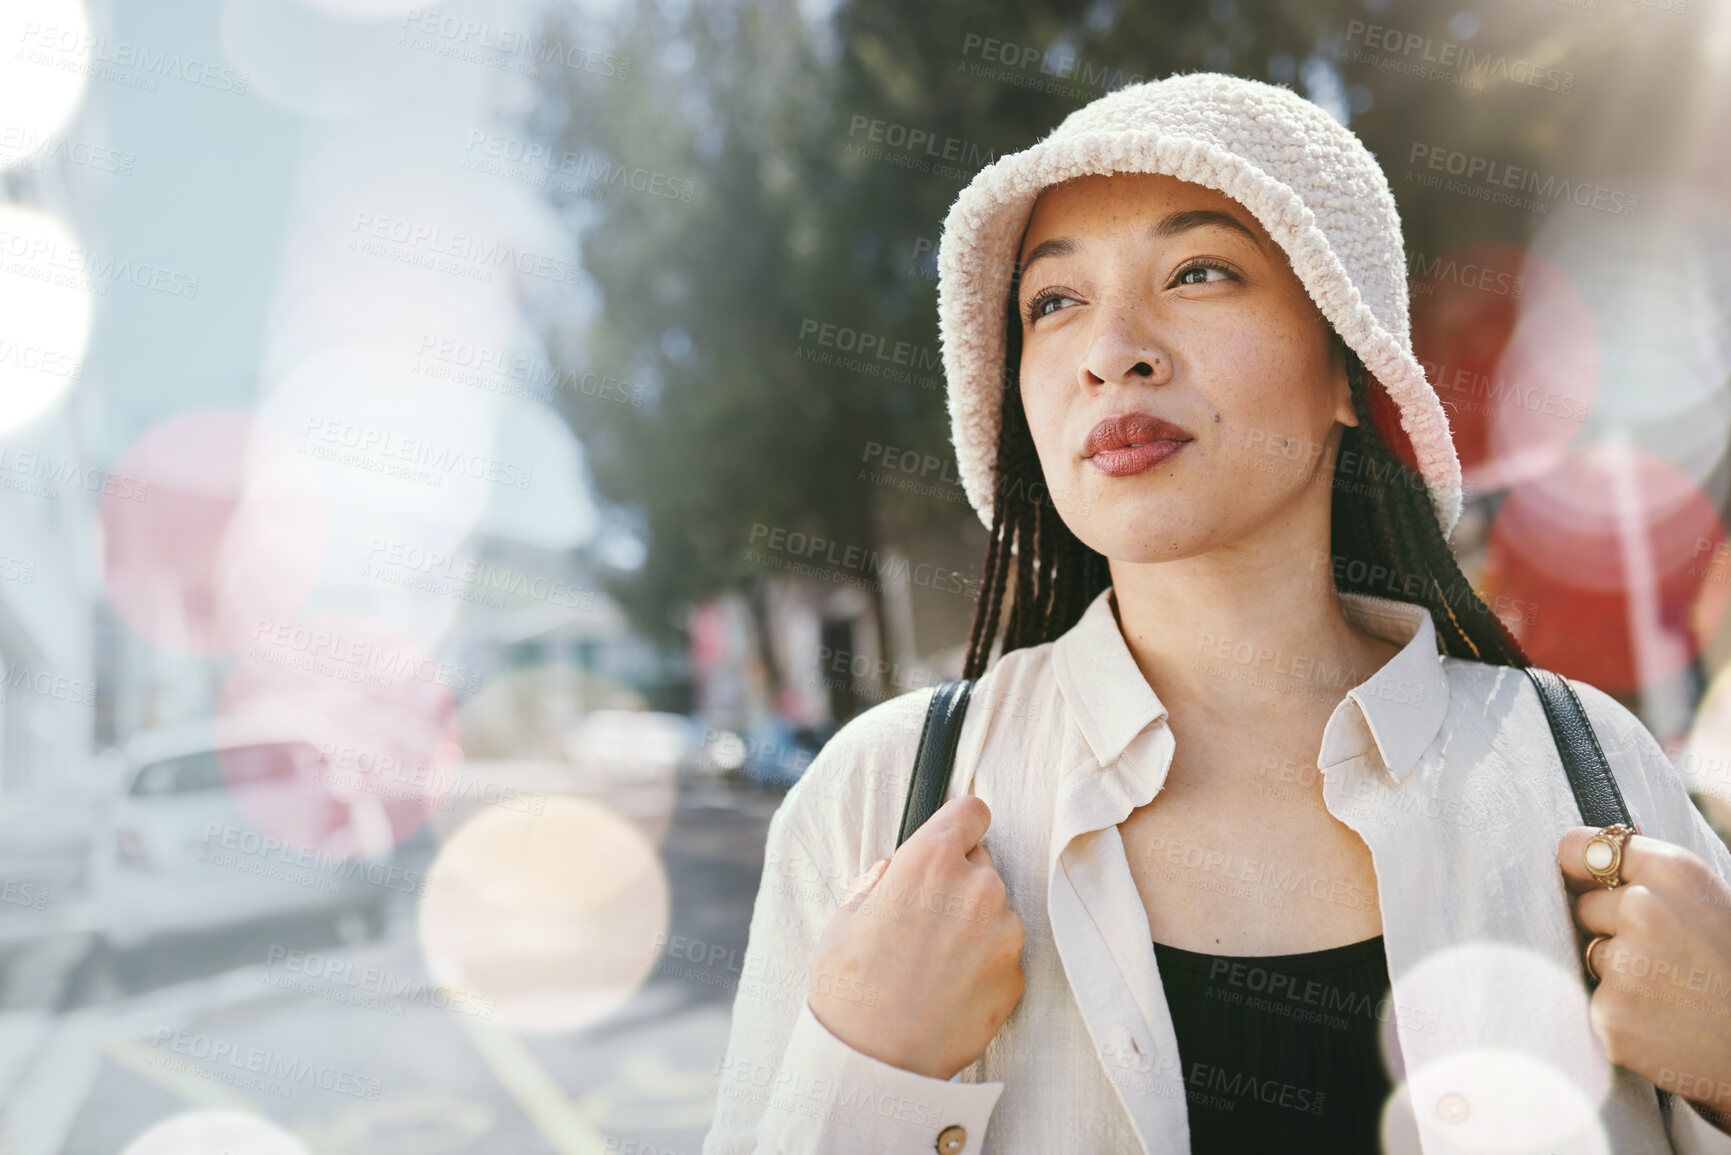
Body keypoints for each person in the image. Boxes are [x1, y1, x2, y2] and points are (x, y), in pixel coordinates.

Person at [702, 72, 1731, 1154]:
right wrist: (866, 1076)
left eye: (1198, 272)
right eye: (1053, 303)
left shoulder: (1585, 774)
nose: (1110, 351)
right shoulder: (879, 804)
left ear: (1348, 367)